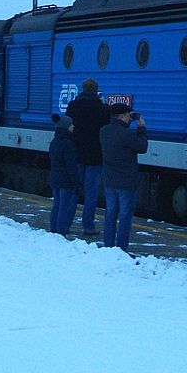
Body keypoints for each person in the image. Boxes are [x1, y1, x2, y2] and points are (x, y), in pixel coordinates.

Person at [99, 104, 148, 250]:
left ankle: (108, 245)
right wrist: (141, 128)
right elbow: (142, 147)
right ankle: (121, 248)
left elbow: (118, 139)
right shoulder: (127, 134)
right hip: (126, 182)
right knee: (125, 217)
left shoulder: (103, 131)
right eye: (128, 115)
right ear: (121, 116)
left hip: (109, 180)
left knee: (110, 214)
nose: (129, 117)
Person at [65, 79, 109, 234]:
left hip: (76, 155)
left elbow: (67, 128)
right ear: (96, 91)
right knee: (91, 193)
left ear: (82, 89)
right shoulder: (102, 109)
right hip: (95, 157)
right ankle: (88, 226)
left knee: (73, 191)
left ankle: (65, 224)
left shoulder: (73, 106)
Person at [48, 115, 80, 236]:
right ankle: (61, 231)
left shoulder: (54, 142)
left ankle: (53, 228)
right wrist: (76, 181)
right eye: (71, 124)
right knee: (64, 206)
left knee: (56, 203)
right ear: (66, 127)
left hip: (55, 177)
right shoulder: (68, 144)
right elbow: (71, 165)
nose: (73, 126)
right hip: (66, 179)